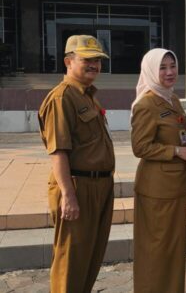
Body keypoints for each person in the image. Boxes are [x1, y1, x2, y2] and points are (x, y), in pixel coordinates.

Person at [38, 35, 115, 292]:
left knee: (90, 258)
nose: (94, 65)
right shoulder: (62, 98)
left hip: (99, 185)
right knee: (71, 261)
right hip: (77, 186)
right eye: (87, 59)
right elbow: (58, 151)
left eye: (97, 60)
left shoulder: (88, 96)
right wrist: (68, 195)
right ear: (68, 61)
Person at [130, 49, 186, 292]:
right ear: (150, 70)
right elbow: (140, 147)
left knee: (173, 248)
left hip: (176, 186)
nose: (169, 72)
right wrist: (177, 152)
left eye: (172, 66)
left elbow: (178, 134)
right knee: (155, 250)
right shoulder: (147, 103)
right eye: (162, 67)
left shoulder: (172, 99)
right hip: (156, 189)